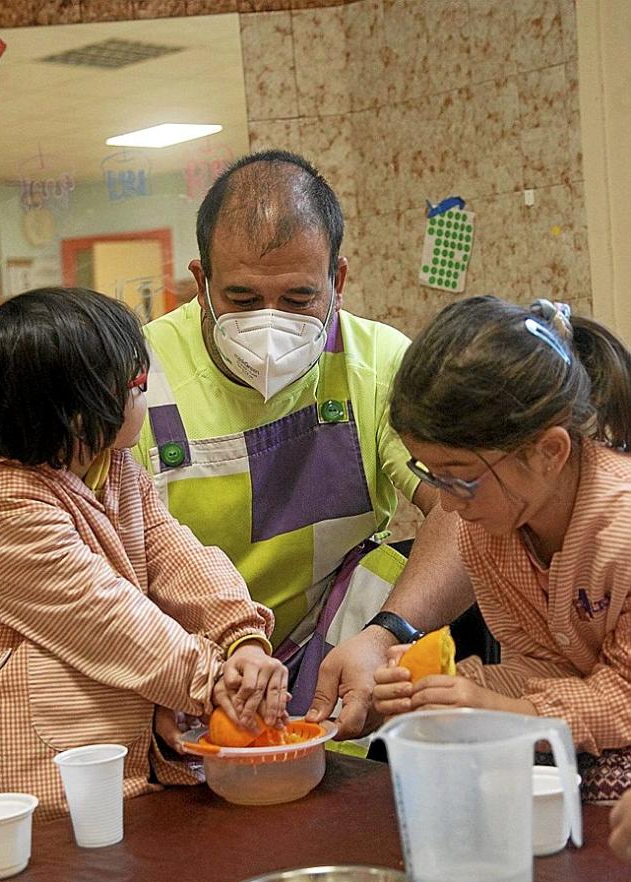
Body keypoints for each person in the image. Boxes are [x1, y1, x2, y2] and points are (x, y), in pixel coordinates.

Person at [134, 149, 478, 744]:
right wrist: (182, 674)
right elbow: (102, 567)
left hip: (335, 641)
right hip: (183, 656)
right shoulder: (137, 378)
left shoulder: (379, 364)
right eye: (242, 299)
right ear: (201, 281)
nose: (269, 327)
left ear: (337, 281)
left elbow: (467, 508)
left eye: (298, 299)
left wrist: (386, 633)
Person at [0, 288, 288, 819]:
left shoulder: (113, 466)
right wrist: (215, 679)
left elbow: (178, 556)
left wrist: (240, 636)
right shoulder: (6, 510)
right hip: (23, 775)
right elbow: (108, 618)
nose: (146, 395)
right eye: (137, 386)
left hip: (108, 755)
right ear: (74, 413)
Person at [373, 295, 631, 802]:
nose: (447, 505)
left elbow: (624, 699)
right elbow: (542, 668)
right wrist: (445, 686)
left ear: (548, 452)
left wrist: (501, 712)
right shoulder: (488, 535)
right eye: (432, 475)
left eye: (461, 479)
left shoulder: (621, 530)